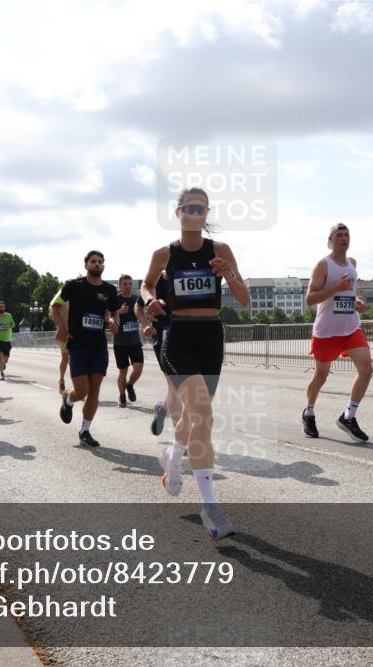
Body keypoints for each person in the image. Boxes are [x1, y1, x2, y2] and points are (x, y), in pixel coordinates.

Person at [142, 187, 250, 539]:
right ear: (178, 213)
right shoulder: (164, 254)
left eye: (200, 209)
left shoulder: (220, 250)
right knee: (203, 414)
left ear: (206, 214)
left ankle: (174, 458)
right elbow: (146, 285)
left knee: (194, 419)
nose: (194, 213)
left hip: (211, 338)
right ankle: (210, 506)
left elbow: (245, 299)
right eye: (188, 208)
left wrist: (227, 273)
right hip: (178, 336)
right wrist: (150, 301)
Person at [302, 223, 373, 443]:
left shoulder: (352, 263)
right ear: (330, 240)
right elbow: (310, 299)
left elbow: (350, 292)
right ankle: (309, 412)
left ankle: (348, 417)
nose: (344, 238)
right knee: (321, 376)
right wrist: (336, 288)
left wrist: (357, 302)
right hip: (327, 331)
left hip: (351, 326)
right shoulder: (323, 265)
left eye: (347, 235)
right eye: (339, 235)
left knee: (367, 369)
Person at [54, 251, 119, 447]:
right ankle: (68, 399)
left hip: (98, 346)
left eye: (100, 262)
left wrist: (113, 322)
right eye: (93, 262)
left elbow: (114, 313)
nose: (97, 264)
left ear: (103, 266)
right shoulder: (74, 285)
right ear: (86, 265)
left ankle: (85, 430)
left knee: (95, 389)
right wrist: (62, 328)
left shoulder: (109, 290)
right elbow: (54, 306)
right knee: (82, 390)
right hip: (78, 345)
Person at [143, 272, 182, 436]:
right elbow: (139, 306)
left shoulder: (184, 276)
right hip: (163, 339)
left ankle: (163, 408)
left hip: (186, 336)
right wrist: (146, 324)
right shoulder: (155, 282)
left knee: (180, 388)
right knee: (175, 386)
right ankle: (181, 436)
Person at [113, 274, 146, 408]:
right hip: (120, 342)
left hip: (134, 341)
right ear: (120, 285)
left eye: (130, 284)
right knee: (123, 371)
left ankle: (130, 384)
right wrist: (118, 312)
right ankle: (122, 396)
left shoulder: (136, 299)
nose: (128, 286)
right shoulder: (115, 300)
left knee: (138, 368)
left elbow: (143, 313)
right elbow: (108, 317)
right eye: (125, 284)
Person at [49, 287, 70, 394]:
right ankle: (61, 379)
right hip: (64, 333)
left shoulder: (78, 297)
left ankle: (79, 385)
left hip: (78, 333)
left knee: (75, 358)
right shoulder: (60, 298)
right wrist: (60, 327)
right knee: (66, 358)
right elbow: (51, 314)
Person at [0, 300, 15, 380]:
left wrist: (9, 326)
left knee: (5, 360)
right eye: (0, 307)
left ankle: (3, 364)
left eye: (3, 307)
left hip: (7, 340)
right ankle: (2, 374)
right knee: (0, 357)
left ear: (5, 308)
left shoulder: (9, 315)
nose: (2, 308)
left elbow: (13, 325)